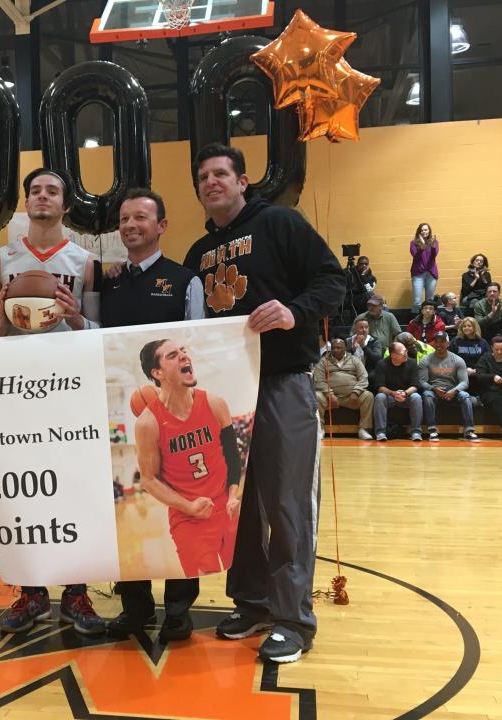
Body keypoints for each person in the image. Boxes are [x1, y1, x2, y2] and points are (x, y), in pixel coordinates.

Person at [182, 143, 344, 664]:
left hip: (281, 383)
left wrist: (295, 311)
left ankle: (293, 619)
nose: (211, 182)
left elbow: (333, 279)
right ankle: (251, 602)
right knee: (241, 504)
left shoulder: (279, 223)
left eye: (220, 174)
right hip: (226, 395)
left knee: (287, 503)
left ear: (242, 180)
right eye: (203, 177)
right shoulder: (196, 255)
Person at [0, 168, 105, 637]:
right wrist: (2, 312)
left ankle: (76, 592)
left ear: (64, 204)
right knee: (22, 494)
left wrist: (74, 317)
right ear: (26, 203)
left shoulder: (84, 261)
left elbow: (96, 333)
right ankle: (31, 592)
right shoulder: (1, 259)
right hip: (17, 391)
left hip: (69, 390)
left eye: (51, 191)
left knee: (74, 491)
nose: (42, 197)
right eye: (35, 191)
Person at [99, 188, 205, 643]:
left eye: (140, 218)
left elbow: (196, 344)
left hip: (178, 417)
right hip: (119, 414)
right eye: (124, 219)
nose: (130, 225)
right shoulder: (109, 281)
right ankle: (135, 605)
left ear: (161, 226)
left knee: (181, 504)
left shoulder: (185, 281)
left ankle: (179, 607)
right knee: (127, 506)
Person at [133, 340, 241, 633]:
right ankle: (177, 615)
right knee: (198, 570)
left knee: (243, 561)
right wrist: (188, 506)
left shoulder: (215, 403)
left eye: (183, 351)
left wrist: (233, 494)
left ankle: (250, 609)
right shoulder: (148, 422)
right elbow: (149, 479)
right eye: (172, 355)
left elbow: (234, 457)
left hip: (225, 503)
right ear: (157, 373)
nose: (183, 355)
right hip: (188, 515)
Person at [419, 331, 478, 442]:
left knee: (465, 396)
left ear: (448, 343)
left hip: (452, 391)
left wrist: (454, 390)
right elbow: (422, 381)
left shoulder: (458, 360)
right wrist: (433, 389)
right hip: (434, 391)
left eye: (442, 342)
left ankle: (469, 430)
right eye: (436, 342)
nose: (439, 344)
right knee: (427, 395)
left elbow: (465, 382)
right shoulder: (426, 360)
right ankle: (432, 431)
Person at [313, 338, 373, 440]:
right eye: (333, 348)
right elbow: (319, 380)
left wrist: (356, 392)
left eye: (338, 348)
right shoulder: (323, 361)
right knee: (317, 396)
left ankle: (364, 429)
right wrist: (330, 395)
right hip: (330, 398)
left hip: (351, 398)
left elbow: (363, 377)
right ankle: (320, 429)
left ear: (345, 348)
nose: (335, 350)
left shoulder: (355, 360)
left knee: (368, 396)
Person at [372, 341, 423, 442]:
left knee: (416, 397)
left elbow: (416, 385)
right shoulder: (382, 364)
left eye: (406, 351)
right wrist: (393, 393)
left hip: (406, 396)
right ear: (393, 355)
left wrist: (405, 393)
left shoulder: (412, 363)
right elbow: (379, 386)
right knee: (379, 397)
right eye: (403, 353)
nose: (406, 354)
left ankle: (416, 432)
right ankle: (380, 432)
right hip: (390, 396)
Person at [472, 282, 502, 350]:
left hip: (501, 329)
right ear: (486, 293)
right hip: (486, 330)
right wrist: (491, 313)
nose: (492, 293)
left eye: (494, 291)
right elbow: (478, 324)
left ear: (499, 293)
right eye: (489, 291)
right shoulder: (479, 305)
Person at [409, 223, 439, 313]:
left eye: (425, 230)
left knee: (429, 300)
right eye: (422, 230)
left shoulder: (434, 242)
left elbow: (433, 257)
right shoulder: (413, 243)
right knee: (417, 301)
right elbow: (416, 257)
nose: (424, 231)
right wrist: (421, 246)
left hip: (431, 273)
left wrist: (433, 247)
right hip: (418, 273)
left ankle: (429, 321)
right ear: (419, 232)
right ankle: (415, 322)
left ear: (429, 231)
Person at [450, 317, 490, 382]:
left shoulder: (483, 342)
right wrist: (464, 369)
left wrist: (477, 370)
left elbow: (487, 359)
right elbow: (451, 359)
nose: (466, 328)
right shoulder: (455, 341)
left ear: (475, 327)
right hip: (460, 373)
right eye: (464, 326)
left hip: (478, 373)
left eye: (469, 326)